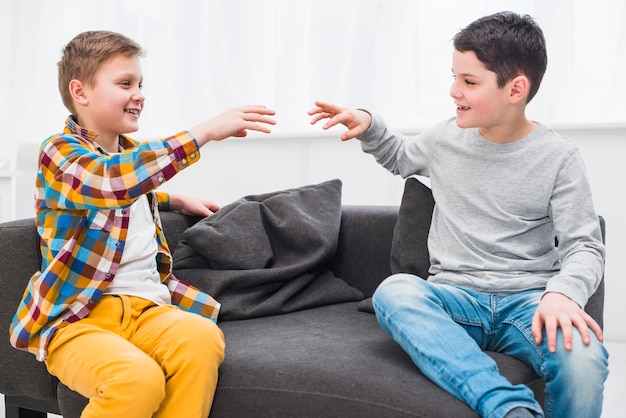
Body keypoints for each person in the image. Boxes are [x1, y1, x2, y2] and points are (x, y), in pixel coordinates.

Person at [308, 11, 608, 418]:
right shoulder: (445, 138)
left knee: (586, 359)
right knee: (394, 292)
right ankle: (508, 407)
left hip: (527, 303)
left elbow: (585, 246)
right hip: (455, 298)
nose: (454, 91)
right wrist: (368, 126)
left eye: (469, 82)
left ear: (515, 88)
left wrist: (561, 293)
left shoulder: (559, 158)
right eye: (453, 77)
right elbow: (399, 156)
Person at [9, 30, 276, 418]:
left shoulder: (132, 162)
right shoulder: (60, 153)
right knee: (136, 380)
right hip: (80, 318)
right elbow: (107, 182)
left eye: (140, 84)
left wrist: (172, 199)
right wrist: (202, 134)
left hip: (148, 309)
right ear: (80, 93)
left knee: (201, 339)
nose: (139, 94)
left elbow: (125, 191)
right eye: (125, 84)